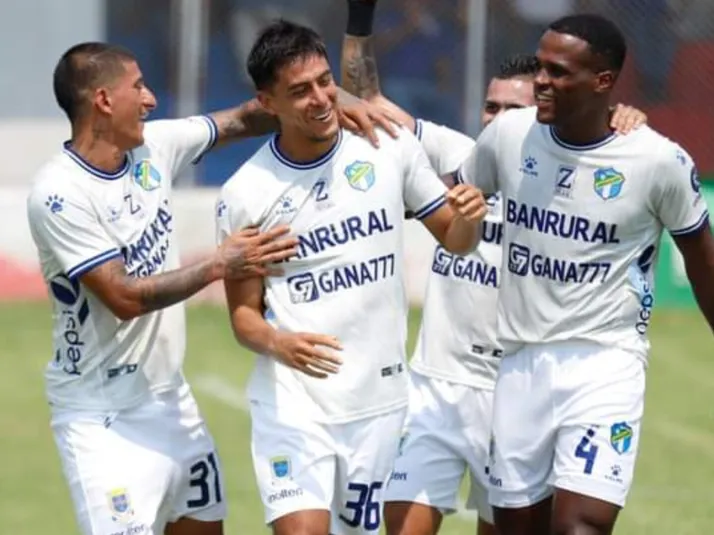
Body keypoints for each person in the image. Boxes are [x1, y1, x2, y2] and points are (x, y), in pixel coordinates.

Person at [26, 41, 399, 535]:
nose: (150, 98)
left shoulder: (155, 146)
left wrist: (333, 102)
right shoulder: (59, 194)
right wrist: (219, 264)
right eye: (138, 86)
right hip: (101, 420)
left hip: (171, 403)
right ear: (103, 100)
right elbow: (123, 297)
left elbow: (247, 117)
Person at [340, 3, 648, 535]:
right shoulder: (459, 153)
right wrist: (360, 16)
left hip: (515, 393)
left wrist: (624, 117)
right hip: (436, 389)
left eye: (511, 109)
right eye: (490, 106)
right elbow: (365, 101)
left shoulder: (574, 180)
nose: (496, 119)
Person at [215, 19, 488, 535]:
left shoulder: (387, 147)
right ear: (267, 102)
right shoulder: (245, 193)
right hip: (293, 403)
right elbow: (244, 316)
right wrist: (278, 343)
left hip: (378, 403)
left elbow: (456, 239)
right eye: (300, 91)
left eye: (325, 82)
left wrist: (470, 217)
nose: (321, 99)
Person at [457, 14, 714, 535]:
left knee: (580, 528)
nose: (541, 81)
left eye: (558, 71)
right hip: (520, 364)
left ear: (603, 81)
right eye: (540, 67)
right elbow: (451, 198)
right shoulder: (508, 135)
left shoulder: (657, 161)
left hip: (605, 362)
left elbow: (701, 259)